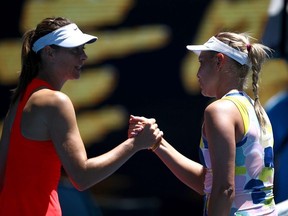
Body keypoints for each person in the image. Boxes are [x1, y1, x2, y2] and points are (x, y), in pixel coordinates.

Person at [0, 16, 163, 216]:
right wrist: (135, 144)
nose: (83, 56)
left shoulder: (20, 100)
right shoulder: (56, 102)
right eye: (74, 50)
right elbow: (82, 177)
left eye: (82, 49)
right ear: (49, 53)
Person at [129, 32, 278, 215]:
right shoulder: (257, 110)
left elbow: (225, 189)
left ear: (219, 61)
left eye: (201, 63)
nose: (198, 73)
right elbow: (210, 183)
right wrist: (158, 144)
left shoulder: (219, 110)